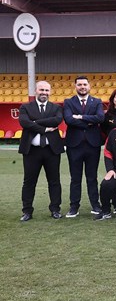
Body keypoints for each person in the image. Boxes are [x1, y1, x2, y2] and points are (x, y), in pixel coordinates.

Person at [18, 81, 64, 221]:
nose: (44, 92)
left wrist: (35, 123)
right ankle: (27, 211)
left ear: (50, 92)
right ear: (36, 91)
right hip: (32, 151)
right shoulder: (25, 107)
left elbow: (57, 120)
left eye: (46, 90)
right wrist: (44, 128)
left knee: (54, 181)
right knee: (29, 182)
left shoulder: (56, 107)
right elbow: (24, 122)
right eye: (41, 90)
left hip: (51, 150)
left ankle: (55, 209)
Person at [63, 76, 105, 217]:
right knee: (75, 178)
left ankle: (95, 205)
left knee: (92, 177)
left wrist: (80, 117)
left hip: (92, 145)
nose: (82, 87)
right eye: (79, 84)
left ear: (89, 86)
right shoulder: (68, 102)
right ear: (75, 86)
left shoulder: (97, 102)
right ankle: (74, 207)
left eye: (84, 84)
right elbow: (69, 120)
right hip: (74, 145)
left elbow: (100, 118)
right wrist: (89, 123)